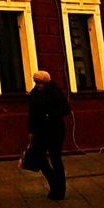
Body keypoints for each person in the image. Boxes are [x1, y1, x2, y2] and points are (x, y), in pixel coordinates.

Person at [27, 69, 71, 200]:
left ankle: (60, 190)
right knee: (39, 158)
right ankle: (54, 182)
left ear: (46, 82)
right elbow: (31, 114)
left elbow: (65, 109)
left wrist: (49, 115)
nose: (38, 85)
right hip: (40, 131)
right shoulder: (34, 94)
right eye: (36, 82)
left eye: (40, 83)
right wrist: (30, 130)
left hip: (55, 130)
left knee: (55, 158)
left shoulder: (55, 93)